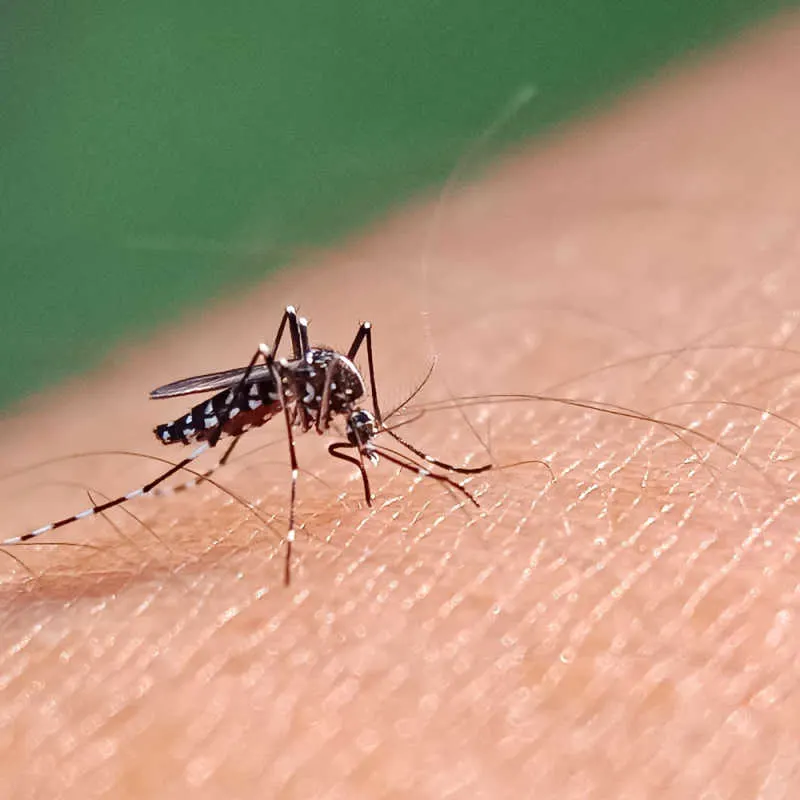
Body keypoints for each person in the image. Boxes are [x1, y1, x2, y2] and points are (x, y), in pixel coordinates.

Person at [2, 17, 799, 797]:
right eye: (361, 428)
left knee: (311, 356)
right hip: (259, 392)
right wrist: (282, 474)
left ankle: (183, 471)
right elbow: (292, 374)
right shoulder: (316, 390)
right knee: (280, 363)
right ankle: (187, 484)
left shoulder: (348, 393)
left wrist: (391, 444)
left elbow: (341, 392)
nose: (357, 437)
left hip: (288, 389)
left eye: (360, 428)